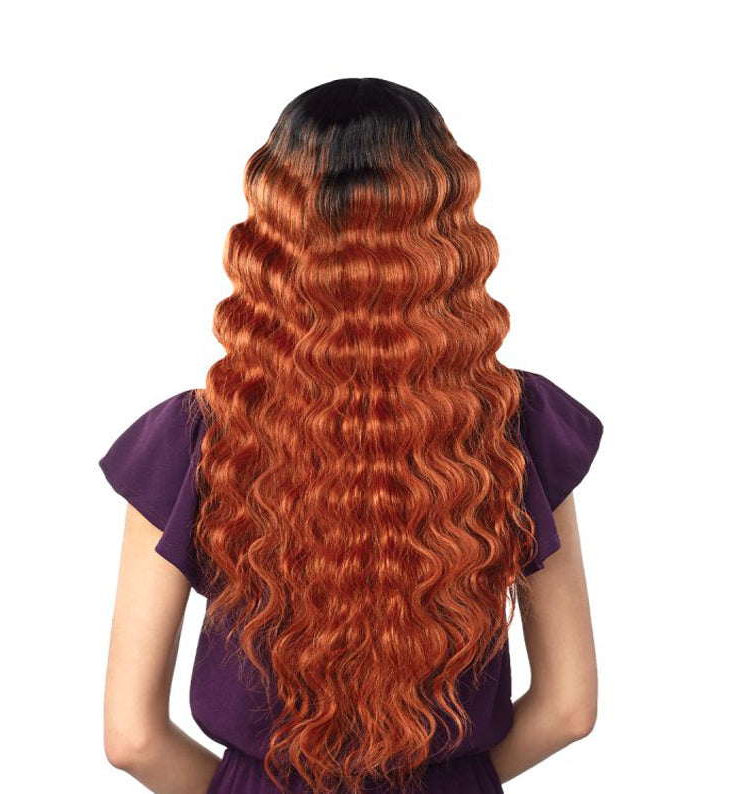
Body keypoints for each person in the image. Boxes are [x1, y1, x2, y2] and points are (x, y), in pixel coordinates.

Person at [99, 77, 604, 794]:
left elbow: (132, 739)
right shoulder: (514, 426)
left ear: (272, 238)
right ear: (446, 234)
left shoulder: (192, 442)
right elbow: (568, 709)